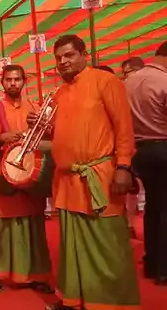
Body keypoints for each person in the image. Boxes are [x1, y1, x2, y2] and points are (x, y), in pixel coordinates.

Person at [40, 34, 140, 310]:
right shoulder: (59, 93)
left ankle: (113, 303)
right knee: (73, 245)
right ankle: (74, 300)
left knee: (108, 243)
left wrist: (123, 167)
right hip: (68, 180)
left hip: (101, 175)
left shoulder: (106, 81)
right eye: (58, 57)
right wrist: (42, 124)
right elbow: (61, 133)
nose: (63, 62)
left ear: (85, 55)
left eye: (69, 55)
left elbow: (124, 128)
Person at [0, 65, 53, 296]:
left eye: (17, 79)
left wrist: (44, 124)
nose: (13, 84)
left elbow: (49, 135)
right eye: (9, 80)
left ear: (24, 81)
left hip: (29, 174)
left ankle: (38, 274)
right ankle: (0, 275)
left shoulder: (35, 107)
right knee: (1, 226)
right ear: (2, 83)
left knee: (34, 223)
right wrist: (2, 137)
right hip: (1, 174)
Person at [124, 41, 167, 285]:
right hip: (163, 146)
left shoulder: (129, 81)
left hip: (137, 150)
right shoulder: (164, 81)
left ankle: (152, 262)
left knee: (153, 206)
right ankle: (164, 268)